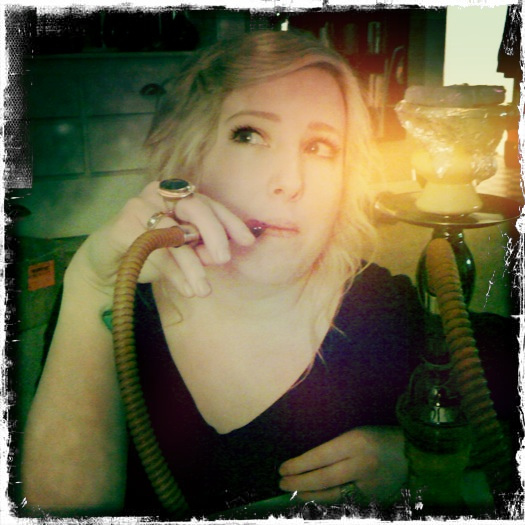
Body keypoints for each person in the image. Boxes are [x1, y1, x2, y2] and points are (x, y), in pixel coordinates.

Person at [19, 29, 518, 520]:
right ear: (192, 156)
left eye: (320, 147)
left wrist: (419, 463)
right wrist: (89, 283)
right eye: (249, 135)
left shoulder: (384, 308)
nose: (289, 182)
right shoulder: (116, 296)